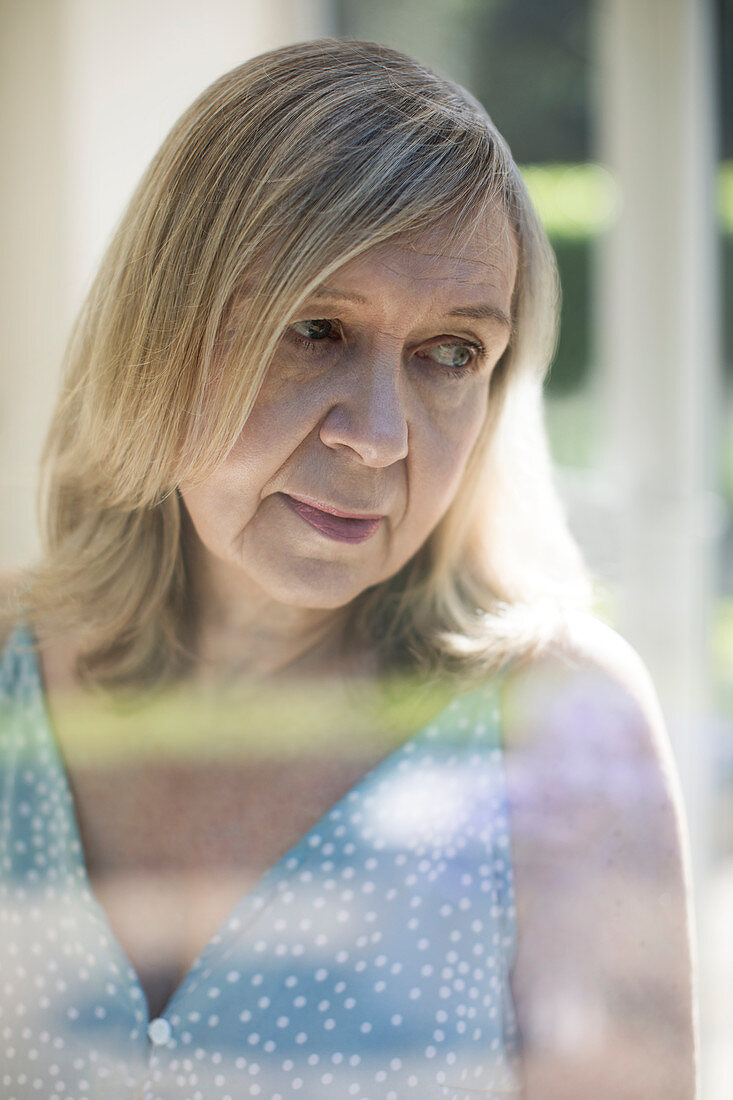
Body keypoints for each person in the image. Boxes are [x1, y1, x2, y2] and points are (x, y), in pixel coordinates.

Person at [0, 38, 697, 1100]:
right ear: (164, 328)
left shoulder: (562, 726)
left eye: (451, 352)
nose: (379, 435)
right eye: (314, 328)